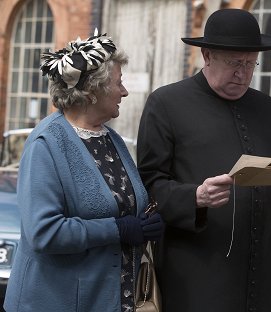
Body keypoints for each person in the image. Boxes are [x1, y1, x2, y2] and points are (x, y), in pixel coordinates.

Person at [137, 8, 271, 312]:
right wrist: (195, 196)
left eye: (250, 63)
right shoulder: (166, 103)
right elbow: (149, 185)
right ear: (206, 55)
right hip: (196, 279)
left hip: (264, 275)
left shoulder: (268, 108)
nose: (242, 73)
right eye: (234, 63)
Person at [4, 32, 163, 312]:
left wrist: (145, 221)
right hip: (59, 302)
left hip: (113, 299)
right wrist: (118, 229)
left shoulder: (111, 140)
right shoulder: (47, 143)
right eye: (119, 83)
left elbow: (123, 204)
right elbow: (44, 232)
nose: (124, 92)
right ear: (93, 91)